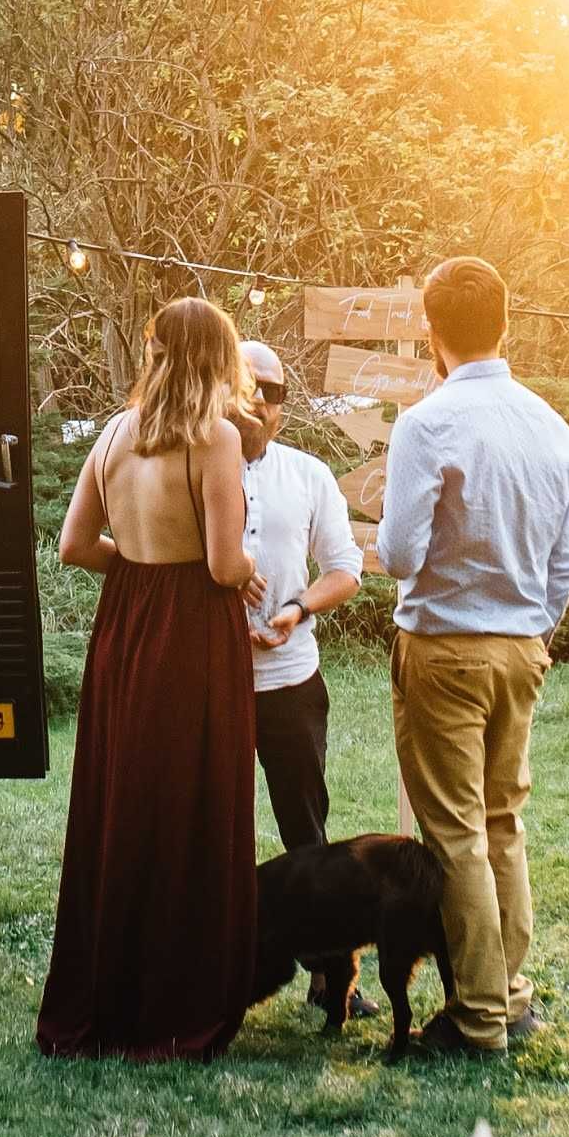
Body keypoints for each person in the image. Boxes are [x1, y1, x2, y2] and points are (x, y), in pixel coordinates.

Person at [36, 296, 259, 1060]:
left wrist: (135, 568)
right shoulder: (216, 439)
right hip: (192, 629)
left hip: (125, 625)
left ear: (157, 352)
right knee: (187, 804)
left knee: (120, 800)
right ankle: (173, 1007)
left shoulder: (112, 432)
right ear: (217, 359)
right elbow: (226, 565)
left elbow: (71, 546)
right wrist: (248, 571)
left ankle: (104, 998)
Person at [375, 253, 569, 1062]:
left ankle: (477, 1017)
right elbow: (566, 561)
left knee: (456, 834)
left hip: (445, 650)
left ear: (431, 332)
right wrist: (535, 631)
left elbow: (397, 553)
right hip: (521, 647)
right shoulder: (551, 427)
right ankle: (513, 995)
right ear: (505, 324)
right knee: (503, 826)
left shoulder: (428, 423)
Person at [233, 338, 363, 857]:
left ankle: (318, 935)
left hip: (292, 680)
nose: (261, 400)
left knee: (306, 830)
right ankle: (229, 933)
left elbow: (346, 570)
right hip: (215, 679)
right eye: (248, 387)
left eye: (274, 390)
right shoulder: (192, 471)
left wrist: (298, 608)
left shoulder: (309, 474)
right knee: (216, 829)